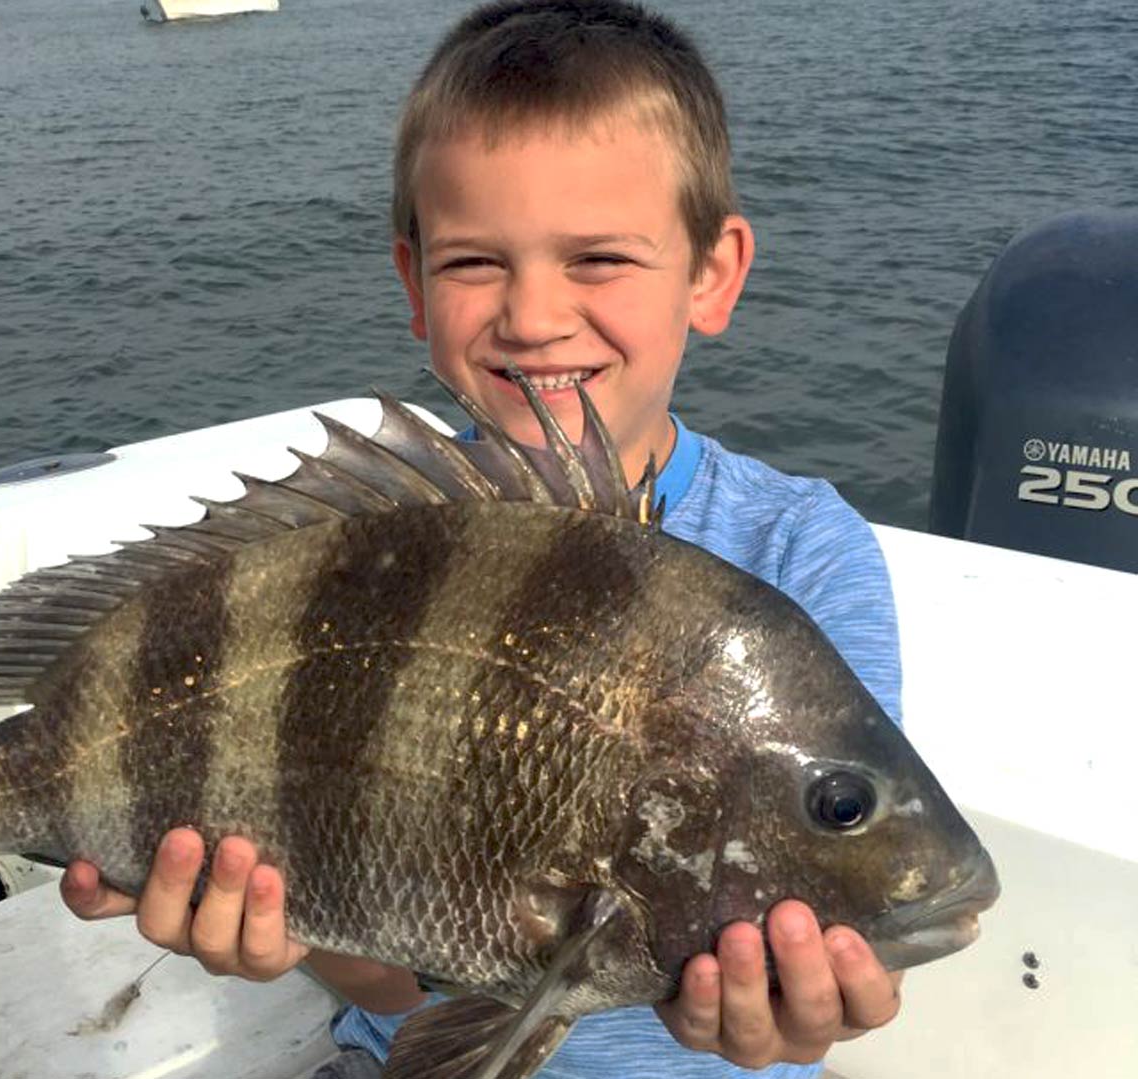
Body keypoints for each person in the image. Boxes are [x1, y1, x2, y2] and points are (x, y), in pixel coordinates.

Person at [60, 2, 905, 1075]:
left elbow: (849, 896)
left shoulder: (801, 549)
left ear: (713, 271)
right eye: (473, 263)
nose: (535, 314)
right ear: (413, 283)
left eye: (598, 257)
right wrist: (300, 939)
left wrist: (807, 1007)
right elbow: (410, 1000)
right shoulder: (368, 545)